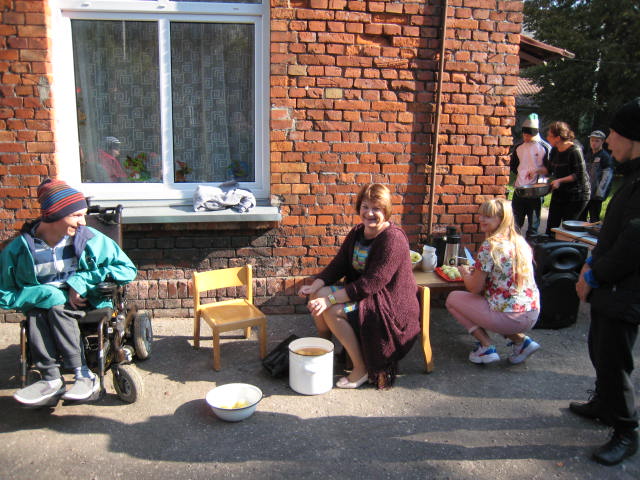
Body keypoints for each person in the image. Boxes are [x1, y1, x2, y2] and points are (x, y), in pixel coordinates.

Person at [0, 179, 137, 406]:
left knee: (53, 309)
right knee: (40, 310)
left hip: (86, 302)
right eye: (76, 215)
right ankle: (52, 379)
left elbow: (127, 269)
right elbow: (4, 293)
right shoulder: (20, 250)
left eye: (83, 215)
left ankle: (83, 374)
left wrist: (81, 281)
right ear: (54, 215)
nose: (83, 221)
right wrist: (42, 294)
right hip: (43, 308)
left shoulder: (89, 238)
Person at [297, 184, 420, 389]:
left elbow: (370, 284)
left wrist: (329, 299)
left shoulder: (393, 239)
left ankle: (361, 368)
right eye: (365, 207)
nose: (369, 213)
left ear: (386, 210)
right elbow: (338, 265)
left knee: (332, 309)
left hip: (389, 306)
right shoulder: (357, 232)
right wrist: (314, 286)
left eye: (376, 208)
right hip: (366, 295)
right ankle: (325, 349)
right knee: (317, 295)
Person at [573, 98, 640, 466]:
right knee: (599, 349)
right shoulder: (632, 177)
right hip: (607, 287)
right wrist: (589, 265)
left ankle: (626, 432)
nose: (608, 140)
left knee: (615, 361)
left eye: (614, 133)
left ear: (633, 136)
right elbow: (613, 232)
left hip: (624, 291)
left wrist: (594, 275)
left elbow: (632, 244)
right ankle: (603, 403)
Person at [445, 198, 540, 365]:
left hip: (509, 317)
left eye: (487, 216)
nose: (481, 219)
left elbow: (474, 288)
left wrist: (465, 272)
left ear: (502, 219)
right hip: (532, 313)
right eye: (481, 215)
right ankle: (522, 342)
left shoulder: (490, 245)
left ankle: (486, 347)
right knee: (490, 305)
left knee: (452, 299)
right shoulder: (520, 241)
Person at [538, 121, 591, 234]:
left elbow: (579, 174)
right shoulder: (554, 150)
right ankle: (550, 243)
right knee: (551, 226)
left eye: (550, 135)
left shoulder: (575, 150)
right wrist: (535, 171)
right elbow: (549, 169)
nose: (547, 138)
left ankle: (566, 245)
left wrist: (560, 181)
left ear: (558, 138)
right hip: (560, 192)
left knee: (567, 228)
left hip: (577, 195)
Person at [510, 113, 551, 237]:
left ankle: (532, 243)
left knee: (533, 223)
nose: (526, 137)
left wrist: (537, 174)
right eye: (525, 134)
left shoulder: (544, 147)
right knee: (515, 222)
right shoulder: (519, 147)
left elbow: (550, 168)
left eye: (529, 135)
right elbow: (514, 166)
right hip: (520, 188)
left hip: (535, 190)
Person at [580, 130, 614, 223]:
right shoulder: (587, 155)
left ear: (602, 142)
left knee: (594, 219)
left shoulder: (605, 157)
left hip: (596, 195)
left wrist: (600, 193)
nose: (594, 143)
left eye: (597, 141)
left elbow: (607, 176)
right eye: (592, 140)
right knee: (580, 218)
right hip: (585, 193)